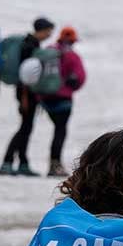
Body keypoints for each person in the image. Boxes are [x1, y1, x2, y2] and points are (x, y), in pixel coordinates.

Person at [0, 17, 55, 176]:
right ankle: (7, 162)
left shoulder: (30, 43)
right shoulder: (29, 45)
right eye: (49, 31)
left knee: (27, 127)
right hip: (26, 94)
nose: (50, 34)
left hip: (28, 93)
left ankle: (23, 162)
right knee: (24, 128)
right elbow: (25, 73)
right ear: (42, 30)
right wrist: (24, 98)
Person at [40, 26, 87, 177]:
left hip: (45, 99)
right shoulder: (73, 56)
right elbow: (80, 78)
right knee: (60, 130)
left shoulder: (48, 51)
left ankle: (49, 163)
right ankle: (55, 164)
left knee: (56, 128)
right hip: (64, 101)